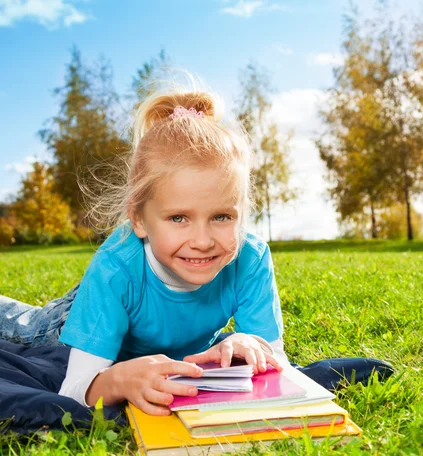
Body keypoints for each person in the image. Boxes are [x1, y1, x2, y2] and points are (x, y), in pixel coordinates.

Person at [0, 79, 394, 421]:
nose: (203, 240)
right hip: (63, 324)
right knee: (19, 325)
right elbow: (73, 392)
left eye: (222, 216)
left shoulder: (250, 258)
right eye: (179, 219)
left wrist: (246, 347)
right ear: (138, 219)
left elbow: (276, 367)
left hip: (156, 341)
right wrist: (117, 378)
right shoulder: (116, 268)